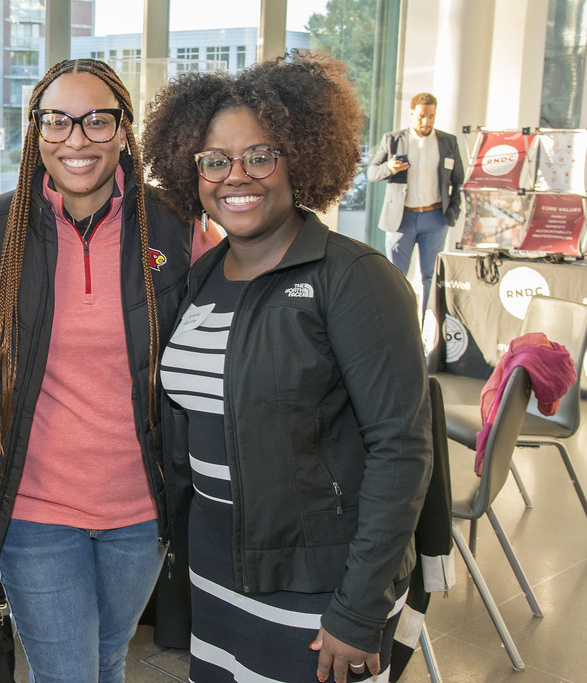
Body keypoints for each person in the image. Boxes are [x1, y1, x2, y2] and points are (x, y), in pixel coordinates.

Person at [143, 52, 432, 683]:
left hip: (319, 586)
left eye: (260, 155)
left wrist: (358, 609)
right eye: (214, 160)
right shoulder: (203, 277)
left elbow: (401, 450)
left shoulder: (353, 278)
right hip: (216, 571)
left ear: (298, 158)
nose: (235, 175)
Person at [0, 58, 218, 682]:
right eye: (57, 121)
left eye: (98, 120)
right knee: (68, 672)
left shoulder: (176, 226)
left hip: (141, 509)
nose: (77, 139)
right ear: (35, 131)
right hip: (35, 508)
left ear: (124, 130)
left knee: (104, 658)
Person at [367, 92, 464, 311]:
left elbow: (458, 181)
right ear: (412, 113)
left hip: (435, 218)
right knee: (395, 277)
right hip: (402, 218)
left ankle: (426, 329)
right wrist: (389, 168)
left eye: (431, 116)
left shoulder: (448, 142)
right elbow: (371, 173)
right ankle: (397, 324)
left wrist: (452, 214)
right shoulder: (393, 140)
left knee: (431, 278)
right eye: (421, 116)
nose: (426, 121)